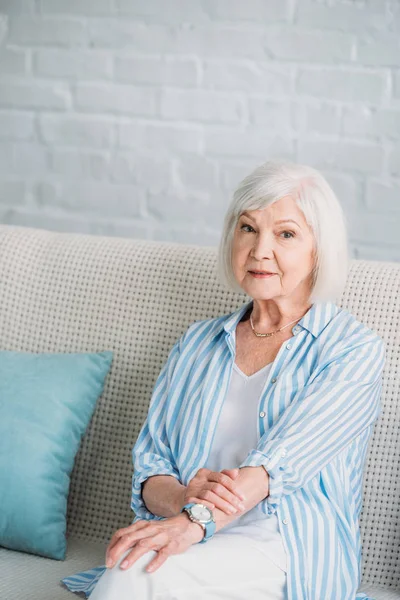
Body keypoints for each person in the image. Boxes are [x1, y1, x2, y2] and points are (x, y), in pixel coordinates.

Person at [61, 160, 385, 600]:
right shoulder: (197, 343)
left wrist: (194, 522)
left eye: (286, 234)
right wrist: (181, 503)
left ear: (319, 250)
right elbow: (150, 467)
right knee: (132, 565)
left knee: (134, 574)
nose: (259, 250)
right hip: (193, 534)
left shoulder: (352, 350)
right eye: (248, 228)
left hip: (287, 549)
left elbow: (274, 468)